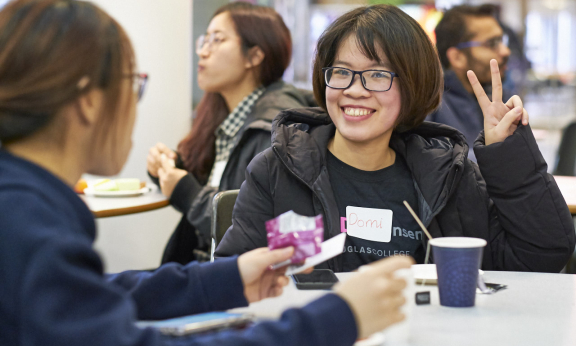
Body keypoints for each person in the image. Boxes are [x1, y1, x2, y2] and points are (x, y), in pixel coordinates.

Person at [0, 1, 414, 345]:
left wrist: (222, 279)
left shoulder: (23, 206)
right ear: (87, 100)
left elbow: (89, 296)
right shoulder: (27, 223)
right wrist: (337, 318)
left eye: (377, 75)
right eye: (132, 82)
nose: (356, 89)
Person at [215, 4, 575, 273]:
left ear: (412, 85)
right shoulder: (280, 169)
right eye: (341, 72)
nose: (354, 90)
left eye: (376, 75)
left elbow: (542, 253)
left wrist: (506, 155)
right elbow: (231, 281)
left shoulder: (447, 175)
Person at [147, 2, 313, 265]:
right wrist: (171, 167)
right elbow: (220, 184)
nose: (202, 51)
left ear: (254, 56)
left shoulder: (272, 126)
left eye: (217, 40)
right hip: (217, 266)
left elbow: (253, 226)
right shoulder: (227, 114)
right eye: (204, 40)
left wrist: (186, 192)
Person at [427, 5, 513, 162]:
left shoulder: (499, 98)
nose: (505, 51)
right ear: (457, 57)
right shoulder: (429, 104)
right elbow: (432, 166)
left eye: (502, 40)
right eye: (492, 43)